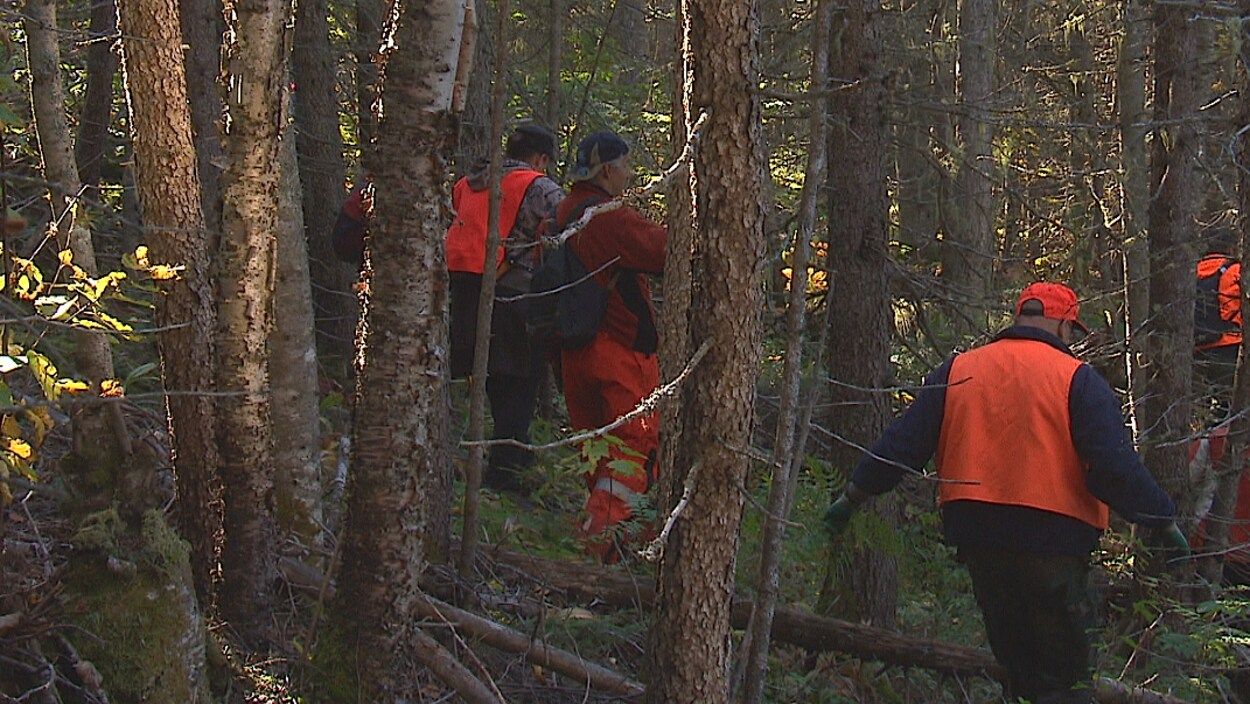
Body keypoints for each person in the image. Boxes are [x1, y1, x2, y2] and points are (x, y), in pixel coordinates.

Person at [824, 282, 1189, 704]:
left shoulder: (959, 370)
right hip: (1053, 543)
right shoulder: (1076, 380)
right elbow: (1112, 468)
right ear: (1063, 326)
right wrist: (1162, 521)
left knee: (1018, 671)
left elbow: (902, 444)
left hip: (980, 542)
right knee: (1064, 680)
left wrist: (852, 496)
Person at [555, 131, 666, 563]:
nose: (629, 174)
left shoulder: (563, 212)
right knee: (628, 457)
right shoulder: (608, 218)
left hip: (573, 356)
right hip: (618, 355)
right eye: (625, 166)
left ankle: (609, 548)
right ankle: (598, 565)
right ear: (607, 170)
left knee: (600, 461)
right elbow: (665, 249)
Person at [444, 123, 565, 491]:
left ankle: (499, 457)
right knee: (520, 381)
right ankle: (505, 472)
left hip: (463, 290)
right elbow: (571, 226)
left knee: (491, 377)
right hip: (512, 294)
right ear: (541, 158)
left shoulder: (467, 182)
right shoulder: (539, 187)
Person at [1194, 230, 1242, 425]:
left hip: (1197, 351)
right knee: (1231, 409)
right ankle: (1223, 452)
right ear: (1231, 248)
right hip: (1230, 348)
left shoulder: (1191, 272)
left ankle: (1204, 451)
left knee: (1206, 414)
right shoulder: (1236, 270)